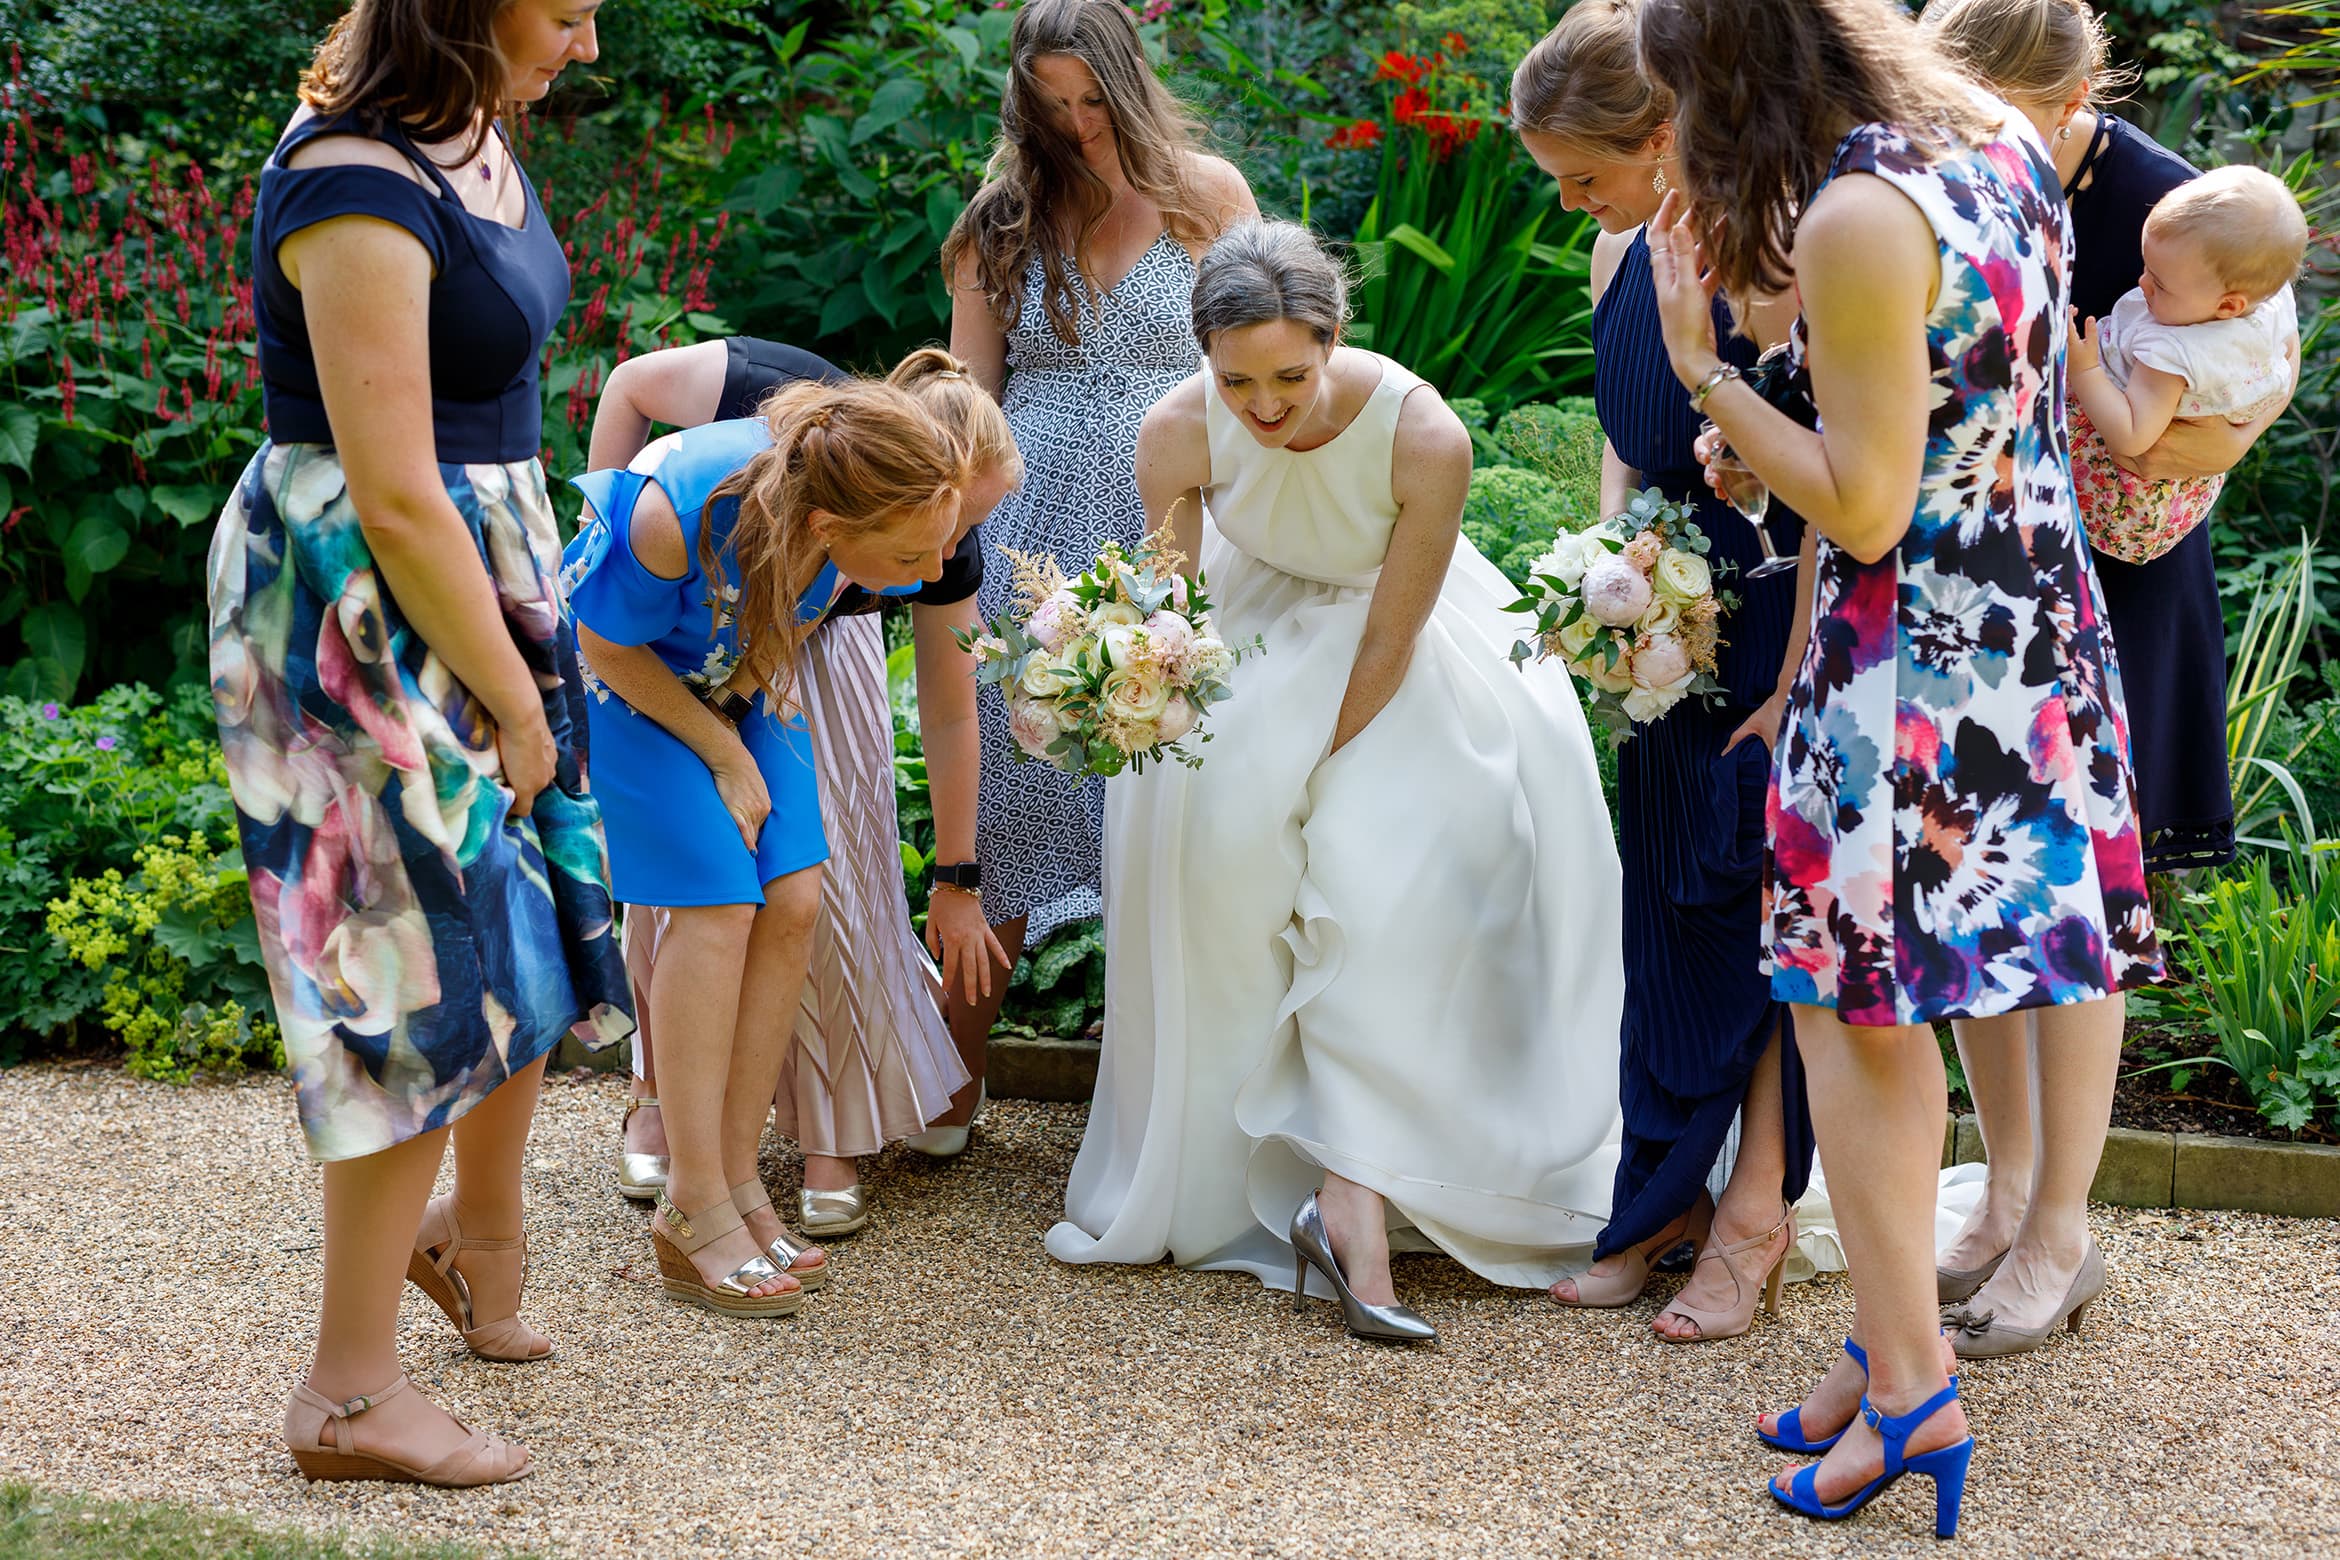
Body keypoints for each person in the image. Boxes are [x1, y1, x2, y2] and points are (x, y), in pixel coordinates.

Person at [1640, 0, 2162, 1530]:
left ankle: (1916, 1397)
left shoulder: (1863, 213)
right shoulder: (1993, 144)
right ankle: (1881, 1348)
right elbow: (1967, 419)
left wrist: (1707, 373)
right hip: (2026, 632)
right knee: (1890, 1013)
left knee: (1855, 1026)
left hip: (1909, 671)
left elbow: (1868, 509)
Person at [1044, 219, 1626, 1342]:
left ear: (1335, 337)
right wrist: (1118, 686)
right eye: (1238, 381)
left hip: (1404, 656)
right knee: (1219, 846)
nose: (1264, 408)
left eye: (1291, 378)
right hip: (1252, 644)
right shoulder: (1174, 431)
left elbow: (1389, 642)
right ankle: (1257, 1176)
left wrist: (1314, 767)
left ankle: (1363, 1190)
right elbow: (1172, 623)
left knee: (1389, 863)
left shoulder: (1422, 435)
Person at [209, 0, 628, 1487]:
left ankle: (470, 1238)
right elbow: (389, 487)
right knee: (401, 967)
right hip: (359, 598)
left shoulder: (468, 136)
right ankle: (343, 1397)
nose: (588, 47)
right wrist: (515, 698)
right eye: (566, 15)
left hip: (477, 566)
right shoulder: (352, 177)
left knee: (514, 931)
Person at [1918, 0, 2297, 1361]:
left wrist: (2169, 446)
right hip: (1984, 559)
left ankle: (2061, 1226)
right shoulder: (1949, 173)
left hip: (2116, 575)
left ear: (2074, 103)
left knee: (2071, 889)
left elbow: (2247, 387)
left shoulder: (2163, 203)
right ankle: (2006, 1191)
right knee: (1985, 876)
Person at [1511, 0, 1818, 1344]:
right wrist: (1608, 583)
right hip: (1663, 639)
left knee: (1764, 929)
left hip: (1775, 623)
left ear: (1661, 133)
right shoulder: (1612, 250)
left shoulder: (1782, 251)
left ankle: (1754, 1220)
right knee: (1672, 926)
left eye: (1585, 173)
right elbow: (1628, 450)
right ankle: (1659, 1204)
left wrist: (1798, 680)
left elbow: (1829, 495)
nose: (1573, 201)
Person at [562, 378, 972, 1317]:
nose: (930, 570)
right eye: (912, 553)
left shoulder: (852, 526)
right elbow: (604, 644)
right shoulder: (680, 512)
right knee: (716, 907)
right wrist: (718, 752)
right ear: (828, 523)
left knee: (794, 897)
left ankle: (740, 1181)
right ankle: (692, 1204)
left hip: (739, 682)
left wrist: (750, 692)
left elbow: (787, 615)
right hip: (635, 689)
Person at [940, 0, 1257, 1122]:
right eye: (1051, 104)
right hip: (1029, 534)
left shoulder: (1206, 197)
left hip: (1172, 526)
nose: (1076, 125)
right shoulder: (1000, 221)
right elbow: (967, 399)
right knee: (1009, 795)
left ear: (1127, 81)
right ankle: (949, 1083)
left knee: (1170, 806)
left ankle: (1156, 1110)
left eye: (1092, 100)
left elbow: (1260, 366)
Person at [2065, 168, 2303, 559]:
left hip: (2117, 501)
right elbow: (2288, 355)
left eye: (2159, 283)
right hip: (2188, 498)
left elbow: (2130, 437)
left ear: (2229, 306)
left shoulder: (2172, 354)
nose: (2142, 284)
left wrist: (2084, 369)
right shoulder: (2270, 300)